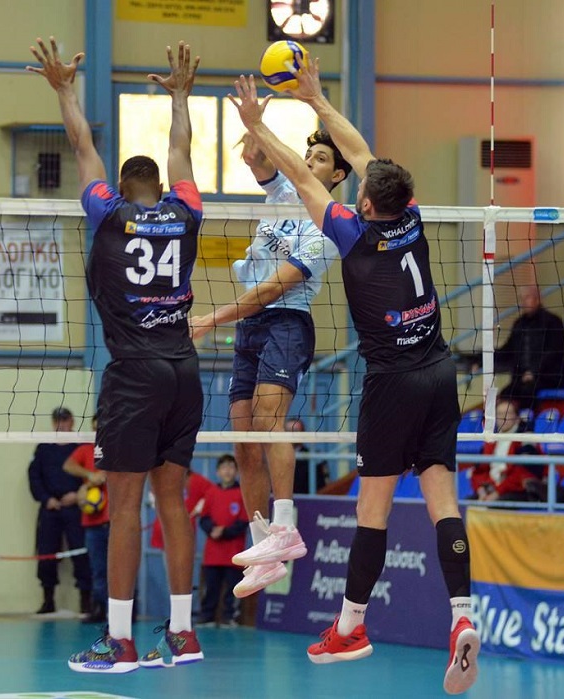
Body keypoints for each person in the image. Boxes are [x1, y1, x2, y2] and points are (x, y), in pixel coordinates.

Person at [228, 61, 480, 693]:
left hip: (392, 385)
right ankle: (462, 614)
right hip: (439, 372)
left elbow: (296, 173)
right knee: (444, 504)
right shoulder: (411, 215)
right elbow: (363, 153)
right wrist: (317, 99)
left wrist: (259, 123)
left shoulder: (352, 234)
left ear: (365, 202)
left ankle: (350, 627)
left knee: (373, 512)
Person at [28, 37, 205, 673]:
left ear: (121, 189)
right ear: (161, 187)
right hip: (186, 372)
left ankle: (120, 641)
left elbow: (82, 148)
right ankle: (182, 634)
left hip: (134, 376)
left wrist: (64, 89)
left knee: (125, 506)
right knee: (173, 503)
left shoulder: (107, 215)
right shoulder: (186, 213)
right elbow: (182, 152)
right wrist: (180, 98)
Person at [189, 129, 350, 598]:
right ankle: (264, 552)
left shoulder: (330, 226)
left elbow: (271, 291)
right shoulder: (282, 194)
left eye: (320, 158)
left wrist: (210, 319)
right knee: (243, 441)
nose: (310, 161)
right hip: (250, 327)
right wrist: (253, 128)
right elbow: (259, 162)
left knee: (268, 421)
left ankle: (285, 526)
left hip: (285, 321)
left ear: (338, 175)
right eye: (308, 154)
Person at [27, 406, 92, 617]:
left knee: (81, 552)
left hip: (76, 508)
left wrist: (78, 495)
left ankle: (86, 601)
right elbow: (34, 477)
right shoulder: (44, 448)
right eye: (57, 421)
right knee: (46, 554)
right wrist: (47, 499)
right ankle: (48, 600)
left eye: (65, 420)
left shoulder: (81, 446)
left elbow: (90, 475)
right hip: (51, 508)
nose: (61, 425)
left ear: (72, 422)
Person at [62, 416, 108, 624]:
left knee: (121, 568)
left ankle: (126, 610)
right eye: (96, 428)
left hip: (116, 520)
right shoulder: (86, 449)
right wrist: (90, 476)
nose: (99, 431)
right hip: (92, 522)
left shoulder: (119, 448)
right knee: (98, 569)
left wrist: (100, 477)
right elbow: (68, 465)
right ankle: (98, 608)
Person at [494, 286, 564, 411]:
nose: (523, 302)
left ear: (538, 299)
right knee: (506, 393)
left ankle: (527, 419)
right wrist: (482, 358)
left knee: (527, 390)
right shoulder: (519, 324)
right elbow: (508, 350)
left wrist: (533, 372)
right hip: (522, 379)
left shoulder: (553, 322)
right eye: (521, 299)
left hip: (549, 377)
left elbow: (554, 352)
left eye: (527, 298)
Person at [196, 454, 248, 628]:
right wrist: (212, 530)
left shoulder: (242, 493)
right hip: (212, 553)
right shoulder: (211, 492)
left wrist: (224, 531)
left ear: (237, 471)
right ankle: (207, 616)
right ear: (217, 472)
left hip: (234, 551)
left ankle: (229, 617)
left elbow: (243, 522)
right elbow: (204, 518)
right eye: (224, 467)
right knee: (211, 587)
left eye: (231, 467)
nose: (228, 471)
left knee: (233, 588)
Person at [469, 401, 543, 503]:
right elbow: (478, 470)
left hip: (517, 490)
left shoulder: (526, 438)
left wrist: (497, 492)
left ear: (517, 417)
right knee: (467, 503)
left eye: (507, 413)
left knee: (495, 504)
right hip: (491, 487)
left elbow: (523, 472)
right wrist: (481, 490)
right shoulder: (490, 440)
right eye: (499, 414)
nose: (503, 417)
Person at [288, 417, 330, 495]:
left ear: (303, 433)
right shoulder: (275, 459)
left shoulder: (315, 458)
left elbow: (322, 487)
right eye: (288, 431)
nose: (291, 434)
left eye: (295, 431)